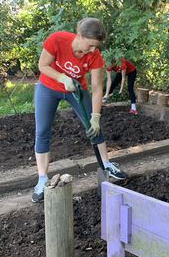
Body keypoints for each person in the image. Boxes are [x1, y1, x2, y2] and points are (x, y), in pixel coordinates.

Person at [32, 18, 127, 203]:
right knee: (42, 131)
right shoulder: (57, 39)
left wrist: (96, 117)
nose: (93, 50)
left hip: (76, 90)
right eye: (90, 45)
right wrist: (61, 77)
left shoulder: (94, 56)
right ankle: (42, 179)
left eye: (96, 47)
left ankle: (106, 164)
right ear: (80, 35)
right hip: (48, 88)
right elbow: (42, 66)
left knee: (93, 128)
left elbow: (98, 87)